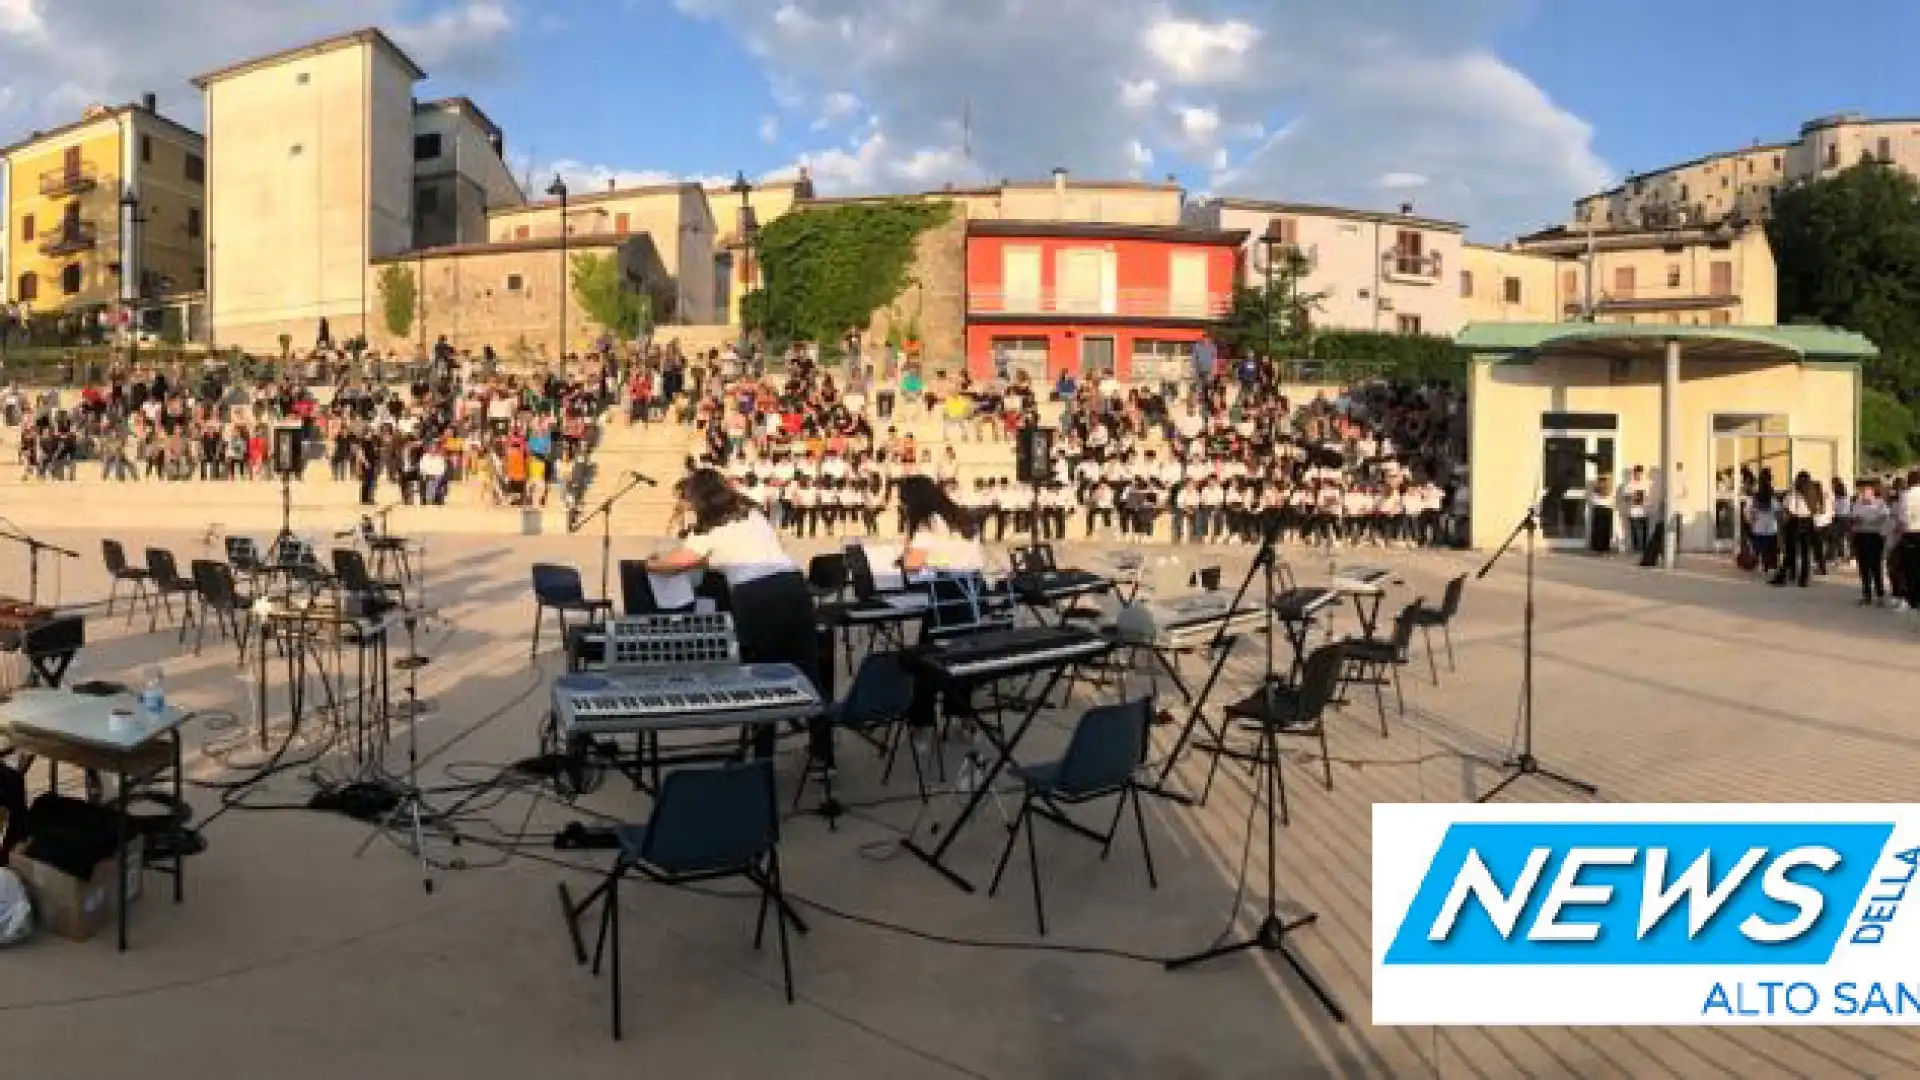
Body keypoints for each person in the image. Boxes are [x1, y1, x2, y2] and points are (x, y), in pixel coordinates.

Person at [645, 469, 822, 755]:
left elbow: (678, 562)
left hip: (757, 598)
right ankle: (823, 755)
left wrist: (651, 564)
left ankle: (761, 759)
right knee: (809, 673)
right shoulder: (752, 514)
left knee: (763, 679)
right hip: (793, 587)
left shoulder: (710, 531)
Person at [1852, 480, 1891, 607]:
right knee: (1863, 567)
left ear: (1873, 492)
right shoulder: (1858, 503)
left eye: (1867, 491)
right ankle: (1866, 594)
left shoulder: (1880, 503)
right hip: (1861, 536)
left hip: (1875, 536)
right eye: (1863, 492)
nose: (1864, 494)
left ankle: (1880, 595)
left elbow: (1884, 517)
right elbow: (1855, 519)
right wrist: (1862, 521)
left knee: (1876, 567)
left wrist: (1869, 521)